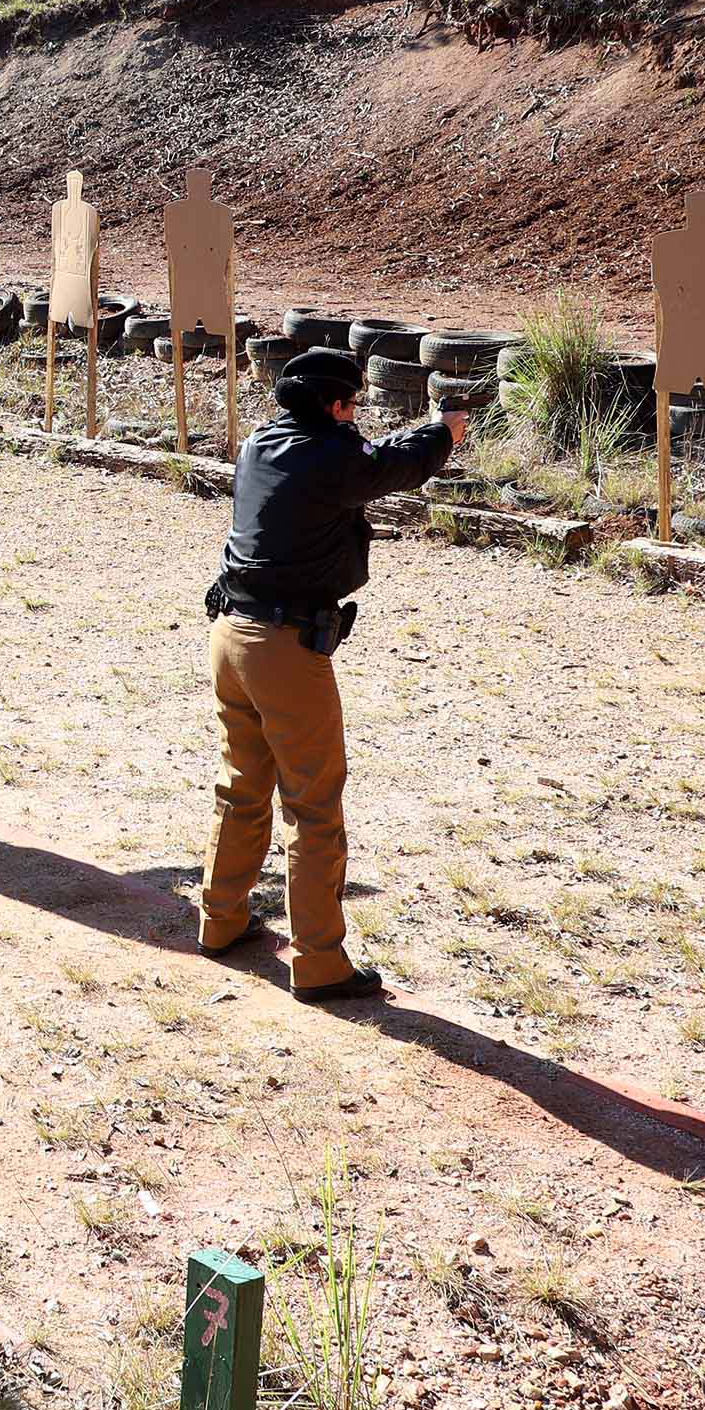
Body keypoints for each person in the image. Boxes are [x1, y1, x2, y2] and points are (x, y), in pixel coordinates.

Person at [199, 348, 467, 1003]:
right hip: (284, 649)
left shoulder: (263, 444)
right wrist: (444, 432)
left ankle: (220, 919)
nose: (356, 417)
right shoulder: (331, 458)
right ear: (335, 406)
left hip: (230, 634)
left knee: (241, 788)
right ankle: (319, 961)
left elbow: (364, 456)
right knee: (315, 811)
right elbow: (392, 466)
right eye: (351, 406)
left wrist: (421, 430)